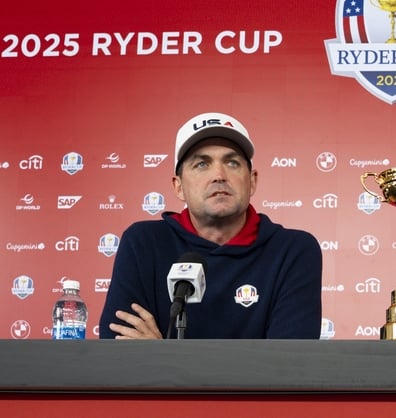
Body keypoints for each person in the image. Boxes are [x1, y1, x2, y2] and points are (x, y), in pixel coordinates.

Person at [99, 112, 322, 339]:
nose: (219, 175)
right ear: (178, 186)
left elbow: (290, 365)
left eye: (232, 162)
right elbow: (119, 356)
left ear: (252, 181)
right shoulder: (143, 243)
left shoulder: (293, 250)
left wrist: (162, 354)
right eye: (202, 164)